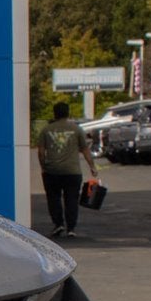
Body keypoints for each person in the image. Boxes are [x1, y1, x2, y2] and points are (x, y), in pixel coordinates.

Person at [38, 102, 98, 238]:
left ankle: (58, 224)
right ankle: (71, 228)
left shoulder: (46, 130)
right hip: (72, 171)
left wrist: (43, 167)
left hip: (52, 171)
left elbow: (41, 152)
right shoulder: (76, 129)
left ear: (54, 113)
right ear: (68, 113)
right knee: (71, 199)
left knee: (54, 199)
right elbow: (85, 149)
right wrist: (92, 167)